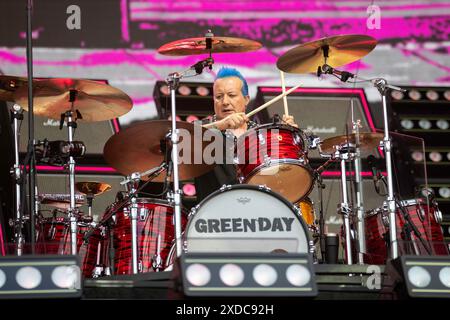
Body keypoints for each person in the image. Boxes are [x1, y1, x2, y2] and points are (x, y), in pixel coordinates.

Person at [194, 67, 298, 201]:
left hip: (257, 213)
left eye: (231, 95)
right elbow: (179, 136)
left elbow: (283, 175)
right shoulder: (203, 130)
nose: (225, 102)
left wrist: (289, 138)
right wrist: (221, 125)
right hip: (214, 214)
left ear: (246, 99)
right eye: (219, 97)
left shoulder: (261, 135)